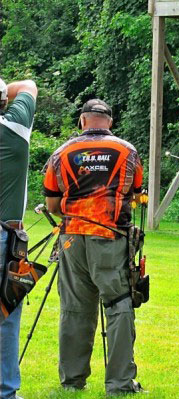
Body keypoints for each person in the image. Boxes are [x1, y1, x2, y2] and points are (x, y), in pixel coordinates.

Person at [42, 99, 144, 395]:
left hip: (72, 237)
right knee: (119, 303)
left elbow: (51, 202)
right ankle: (120, 383)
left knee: (74, 308)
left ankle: (72, 381)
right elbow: (135, 193)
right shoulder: (127, 151)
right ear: (109, 122)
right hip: (111, 237)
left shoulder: (61, 152)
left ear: (83, 121)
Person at [0, 77, 38, 399]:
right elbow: (29, 84)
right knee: (5, 317)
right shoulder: (14, 131)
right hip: (4, 238)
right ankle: (6, 392)